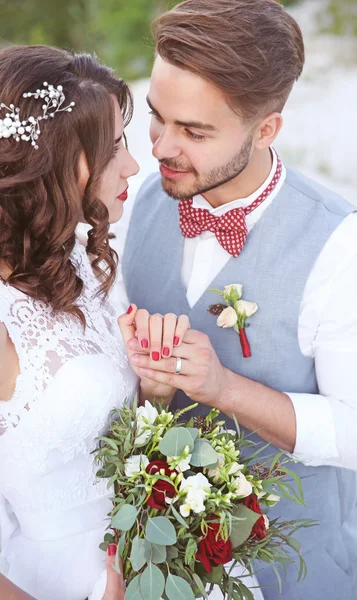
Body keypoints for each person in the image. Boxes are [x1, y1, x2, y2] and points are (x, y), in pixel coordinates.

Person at [121, 1, 357, 598]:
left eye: (194, 132)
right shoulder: (142, 200)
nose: (163, 148)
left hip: (292, 572)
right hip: (152, 564)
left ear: (267, 129)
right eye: (157, 118)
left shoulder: (345, 250)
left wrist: (225, 390)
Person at [0, 45, 189, 600]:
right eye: (112, 147)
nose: (133, 165)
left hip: (149, 555)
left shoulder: (71, 256)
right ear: (61, 164)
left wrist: (154, 392)